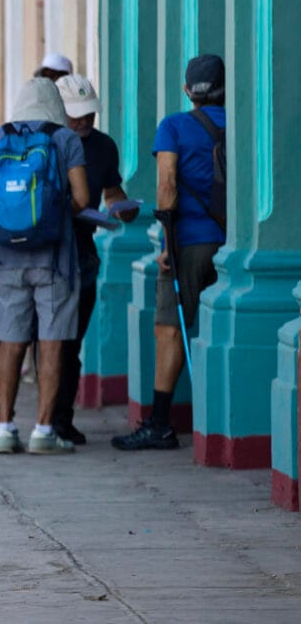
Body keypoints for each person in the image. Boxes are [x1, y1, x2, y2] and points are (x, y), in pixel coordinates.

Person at [112, 54, 226, 451]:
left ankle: (160, 423)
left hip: (188, 242)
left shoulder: (173, 126)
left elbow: (167, 186)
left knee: (169, 328)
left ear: (186, 90)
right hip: (229, 241)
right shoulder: (239, 123)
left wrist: (166, 244)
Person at [0, 76, 88, 455]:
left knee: (9, 344)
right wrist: (53, 212)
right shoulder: (65, 139)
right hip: (55, 260)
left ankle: (5, 428)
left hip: (7, 258)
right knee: (51, 345)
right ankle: (43, 430)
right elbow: (82, 197)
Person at [52, 73, 139, 445]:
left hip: (83, 251)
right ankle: (4, 418)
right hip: (48, 250)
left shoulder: (103, 146)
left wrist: (123, 208)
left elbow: (112, 192)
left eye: (89, 113)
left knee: (72, 341)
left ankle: (61, 419)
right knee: (37, 339)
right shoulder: (48, 143)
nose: (84, 120)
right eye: (76, 114)